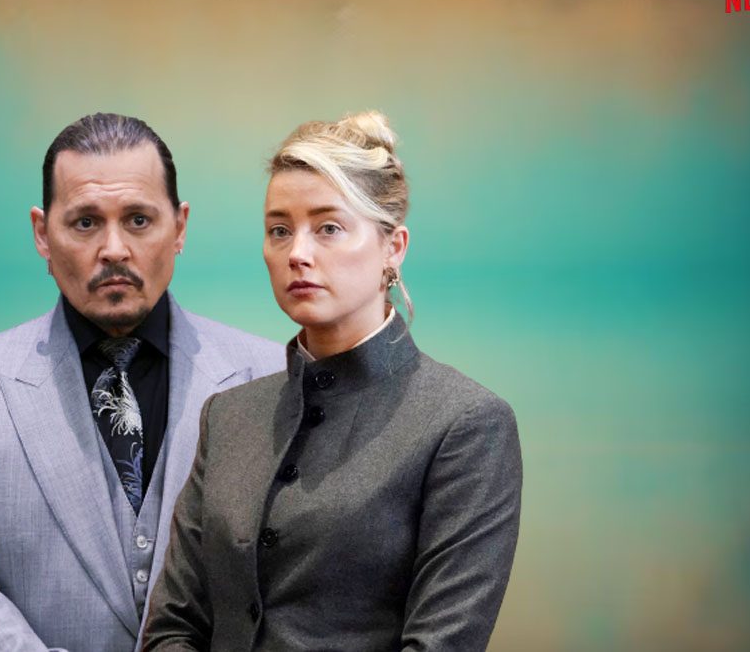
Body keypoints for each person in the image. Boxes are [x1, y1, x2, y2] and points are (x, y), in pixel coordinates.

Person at [143, 111, 523, 652]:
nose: (298, 253)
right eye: (279, 230)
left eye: (328, 228)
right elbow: (173, 628)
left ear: (393, 247)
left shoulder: (464, 424)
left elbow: (441, 642)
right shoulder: (229, 416)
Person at [0, 113, 284, 652]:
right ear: (42, 233)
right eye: (85, 222)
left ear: (179, 228)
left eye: (138, 220)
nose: (114, 249)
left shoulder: (270, 376)